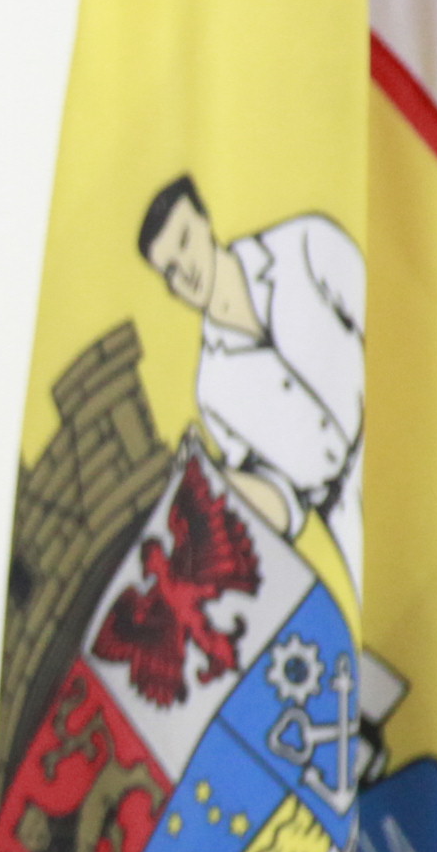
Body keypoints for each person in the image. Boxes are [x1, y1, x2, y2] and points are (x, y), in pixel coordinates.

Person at [137, 175, 366, 572]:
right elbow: (285, 503)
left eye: (185, 241)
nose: (186, 272)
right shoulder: (212, 390)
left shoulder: (305, 246)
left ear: (206, 221)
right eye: (170, 271)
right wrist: (218, 482)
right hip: (349, 524)